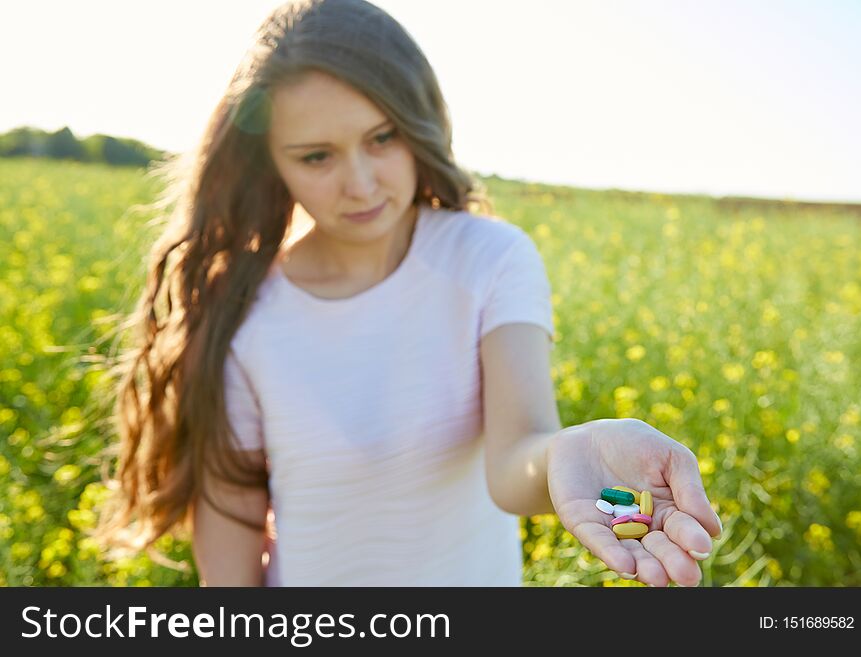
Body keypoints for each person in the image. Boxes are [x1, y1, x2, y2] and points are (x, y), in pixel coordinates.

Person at [91, 0, 721, 587]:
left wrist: (567, 454)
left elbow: (514, 465)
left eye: (382, 138)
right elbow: (232, 532)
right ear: (270, 162)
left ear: (419, 125)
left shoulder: (490, 260)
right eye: (317, 157)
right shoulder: (244, 309)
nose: (360, 183)